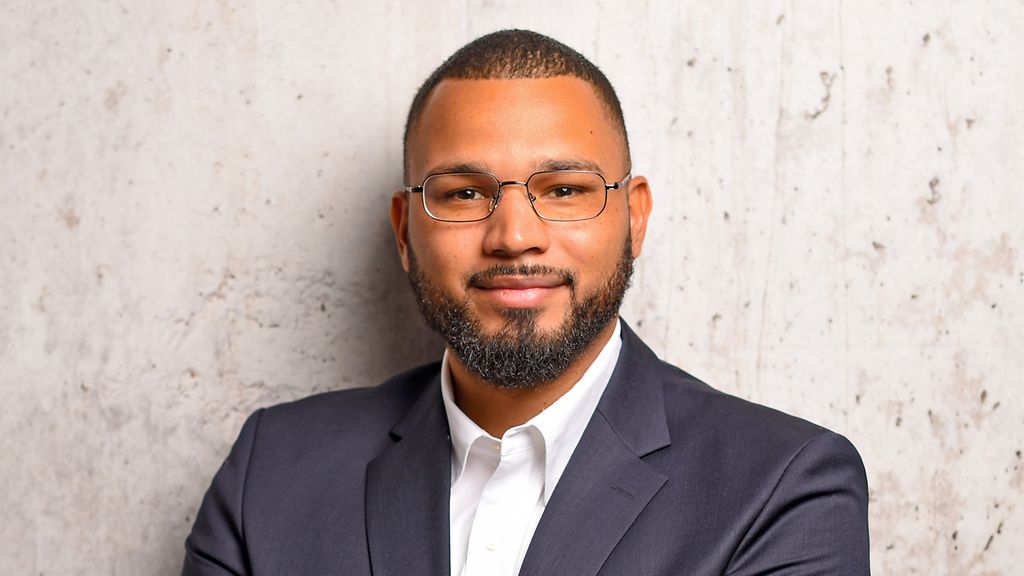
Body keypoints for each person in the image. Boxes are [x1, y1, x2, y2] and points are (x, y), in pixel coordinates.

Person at [181, 30, 870, 576]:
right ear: (404, 231)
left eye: (565, 190)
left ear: (634, 219)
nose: (514, 237)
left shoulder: (781, 489)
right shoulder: (270, 473)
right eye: (464, 193)